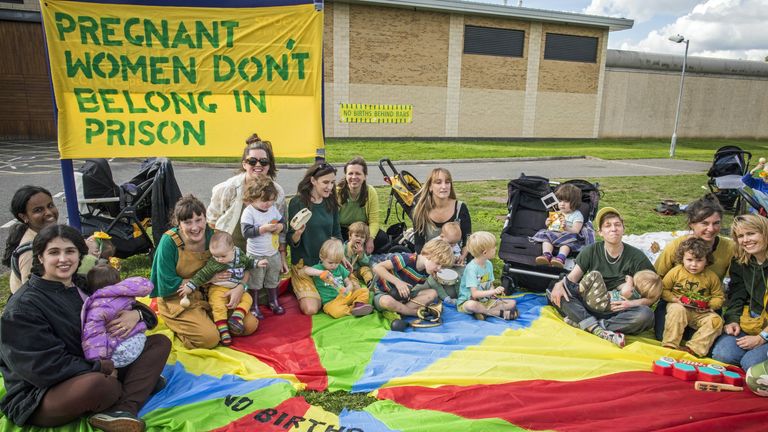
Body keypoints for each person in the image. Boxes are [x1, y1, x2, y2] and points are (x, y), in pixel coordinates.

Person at [0, 224, 170, 431]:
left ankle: (122, 409)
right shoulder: (22, 307)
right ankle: (133, 386)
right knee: (100, 386)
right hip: (44, 391)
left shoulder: (82, 283)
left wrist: (137, 314)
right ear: (40, 257)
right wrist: (101, 368)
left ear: (79, 255)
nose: (64, 259)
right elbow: (42, 368)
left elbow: (127, 301)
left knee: (159, 343)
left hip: (98, 363)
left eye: (70, 251)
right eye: (54, 252)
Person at [151, 195, 259, 349]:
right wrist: (209, 279)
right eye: (187, 222)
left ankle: (210, 321)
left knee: (249, 325)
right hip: (179, 298)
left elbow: (244, 264)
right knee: (209, 339)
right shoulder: (169, 242)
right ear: (179, 223)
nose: (195, 227)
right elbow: (165, 283)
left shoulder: (215, 237)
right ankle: (180, 325)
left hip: (213, 294)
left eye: (198, 220)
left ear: (205, 217)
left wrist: (240, 286)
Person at [548, 207, 656, 348]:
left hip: (617, 310)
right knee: (558, 293)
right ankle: (598, 329)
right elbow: (571, 279)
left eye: (617, 225)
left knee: (646, 315)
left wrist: (631, 304)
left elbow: (654, 294)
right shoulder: (591, 250)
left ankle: (590, 325)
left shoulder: (637, 257)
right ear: (600, 232)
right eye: (608, 225)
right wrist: (559, 285)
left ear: (623, 228)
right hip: (589, 303)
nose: (613, 229)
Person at [654, 194, 735, 339]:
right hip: (675, 304)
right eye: (704, 223)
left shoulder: (729, 248)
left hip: (705, 308)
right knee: (664, 335)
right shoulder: (677, 245)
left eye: (716, 223)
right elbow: (657, 276)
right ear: (692, 223)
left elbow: (737, 283)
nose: (711, 229)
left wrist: (714, 304)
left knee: (707, 338)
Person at [207, 133, 288, 273]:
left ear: (269, 165)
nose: (258, 165)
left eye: (263, 161)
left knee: (262, 291)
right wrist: (219, 252)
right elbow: (212, 221)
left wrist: (282, 255)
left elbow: (281, 227)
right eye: (252, 161)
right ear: (244, 164)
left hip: (265, 254)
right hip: (232, 253)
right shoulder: (227, 189)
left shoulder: (278, 192)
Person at [181, 231, 259, 346]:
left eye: (222, 256)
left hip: (235, 287)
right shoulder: (214, 263)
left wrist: (257, 263)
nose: (219, 259)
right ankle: (223, 330)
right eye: (215, 256)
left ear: (232, 250)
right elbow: (201, 275)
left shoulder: (238, 255)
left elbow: (248, 264)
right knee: (218, 306)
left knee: (248, 299)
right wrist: (190, 286)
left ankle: (237, 317)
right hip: (218, 289)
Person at [712, 214, 768, 370]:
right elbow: (737, 294)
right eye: (741, 236)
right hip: (752, 319)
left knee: (750, 363)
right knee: (722, 354)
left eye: (751, 233)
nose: (746, 240)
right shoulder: (740, 261)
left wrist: (762, 337)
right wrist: (733, 320)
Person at [286, 162, 342, 315]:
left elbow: (337, 234)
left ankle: (320, 292)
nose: (330, 187)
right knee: (311, 309)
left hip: (327, 264)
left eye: (332, 182)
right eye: (325, 182)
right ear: (313, 181)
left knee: (351, 291)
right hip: (305, 267)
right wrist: (297, 233)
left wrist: (340, 256)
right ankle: (302, 286)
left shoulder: (330, 201)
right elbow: (291, 240)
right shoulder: (297, 203)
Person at [661, 237, 724, 357]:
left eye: (699, 260)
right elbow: (663, 288)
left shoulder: (711, 277)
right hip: (679, 305)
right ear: (682, 259)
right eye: (689, 260)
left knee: (716, 321)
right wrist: (674, 299)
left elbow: (718, 296)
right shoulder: (676, 272)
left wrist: (710, 305)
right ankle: (670, 344)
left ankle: (694, 348)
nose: (693, 264)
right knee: (677, 310)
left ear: (706, 261)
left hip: (700, 311)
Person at [82, 265, 153, 368]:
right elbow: (144, 284)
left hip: (120, 350)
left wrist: (97, 360)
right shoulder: (126, 293)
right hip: (138, 339)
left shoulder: (98, 307)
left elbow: (94, 333)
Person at [372, 238, 454, 318]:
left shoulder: (425, 272)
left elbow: (411, 288)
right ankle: (413, 313)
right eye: (438, 263)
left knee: (433, 293)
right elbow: (378, 267)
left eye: (442, 266)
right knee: (387, 301)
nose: (439, 268)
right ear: (428, 254)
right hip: (382, 293)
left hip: (401, 297)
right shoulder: (407, 259)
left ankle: (400, 310)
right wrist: (398, 282)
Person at [240, 176, 286, 318]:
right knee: (255, 280)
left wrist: (280, 226)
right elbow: (246, 232)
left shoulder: (272, 209)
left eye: (271, 200)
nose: (268, 204)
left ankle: (273, 301)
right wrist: (263, 229)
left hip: (273, 253)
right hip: (256, 255)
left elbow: (282, 222)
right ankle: (254, 304)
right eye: (263, 200)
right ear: (252, 198)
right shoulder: (249, 212)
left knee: (273, 277)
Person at [3, 185, 60, 294]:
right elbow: (32, 296)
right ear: (24, 217)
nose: (48, 212)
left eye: (50, 205)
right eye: (38, 210)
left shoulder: (45, 236)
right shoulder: (31, 252)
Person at [303, 238, 373, 318]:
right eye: (330, 262)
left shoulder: (339, 268)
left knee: (364, 291)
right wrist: (320, 273)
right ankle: (353, 309)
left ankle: (359, 304)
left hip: (345, 296)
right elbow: (306, 270)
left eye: (337, 262)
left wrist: (349, 288)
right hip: (331, 302)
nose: (333, 265)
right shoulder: (319, 268)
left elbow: (347, 281)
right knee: (337, 312)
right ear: (322, 257)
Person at [457, 231, 518, 320]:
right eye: (493, 248)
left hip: (486, 300)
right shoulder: (472, 268)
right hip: (469, 301)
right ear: (485, 252)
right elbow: (475, 294)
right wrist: (493, 292)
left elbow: (490, 284)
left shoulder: (488, 264)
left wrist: (493, 292)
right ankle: (496, 313)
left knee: (512, 303)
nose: (495, 249)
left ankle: (483, 312)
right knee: (472, 305)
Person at [412, 168, 471, 255]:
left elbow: (468, 241)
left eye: (447, 182)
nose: (444, 186)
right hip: (429, 259)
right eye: (438, 182)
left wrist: (462, 258)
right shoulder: (421, 211)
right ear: (430, 187)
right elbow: (419, 245)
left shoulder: (460, 208)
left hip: (456, 258)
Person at [337, 157, 387, 253]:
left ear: (364, 176)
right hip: (342, 230)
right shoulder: (337, 192)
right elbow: (332, 221)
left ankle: (363, 255)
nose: (354, 177)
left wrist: (370, 240)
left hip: (362, 230)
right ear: (346, 175)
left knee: (382, 238)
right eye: (350, 173)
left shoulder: (370, 192)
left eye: (358, 173)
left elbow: (374, 221)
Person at [532, 183, 585, 268]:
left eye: (566, 201)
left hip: (567, 235)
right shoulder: (557, 212)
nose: (562, 204)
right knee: (546, 238)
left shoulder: (577, 215)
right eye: (560, 201)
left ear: (575, 203)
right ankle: (546, 255)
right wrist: (548, 223)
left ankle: (561, 258)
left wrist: (566, 227)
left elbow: (576, 231)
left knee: (567, 244)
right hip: (554, 234)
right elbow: (550, 227)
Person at [580, 269, 662, 314]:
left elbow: (624, 292)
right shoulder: (638, 299)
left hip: (602, 302)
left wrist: (629, 280)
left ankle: (575, 290)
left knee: (595, 274)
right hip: (601, 305)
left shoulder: (632, 293)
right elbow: (620, 288)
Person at [344, 221, 373, 286]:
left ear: (365, 239)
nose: (359, 238)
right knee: (352, 280)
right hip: (346, 273)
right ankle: (355, 287)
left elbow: (366, 263)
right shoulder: (344, 247)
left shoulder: (364, 248)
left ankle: (370, 283)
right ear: (350, 236)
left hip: (357, 272)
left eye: (362, 237)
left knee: (365, 269)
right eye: (356, 236)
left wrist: (361, 255)